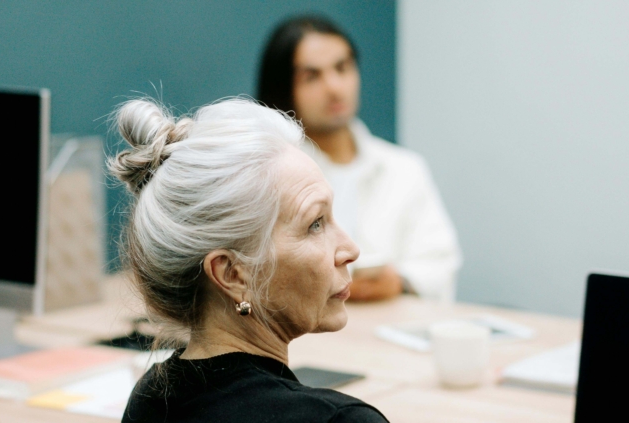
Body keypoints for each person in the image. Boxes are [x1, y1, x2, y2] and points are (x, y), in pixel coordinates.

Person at [110, 97, 388, 422]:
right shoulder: (338, 420)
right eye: (315, 224)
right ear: (233, 275)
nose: (350, 249)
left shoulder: (149, 398)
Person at [256, 15, 461, 303]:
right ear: (284, 88)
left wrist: (399, 281)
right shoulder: (268, 175)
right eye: (311, 76)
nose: (334, 87)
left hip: (391, 330)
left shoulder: (404, 168)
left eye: (342, 68)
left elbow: (440, 262)